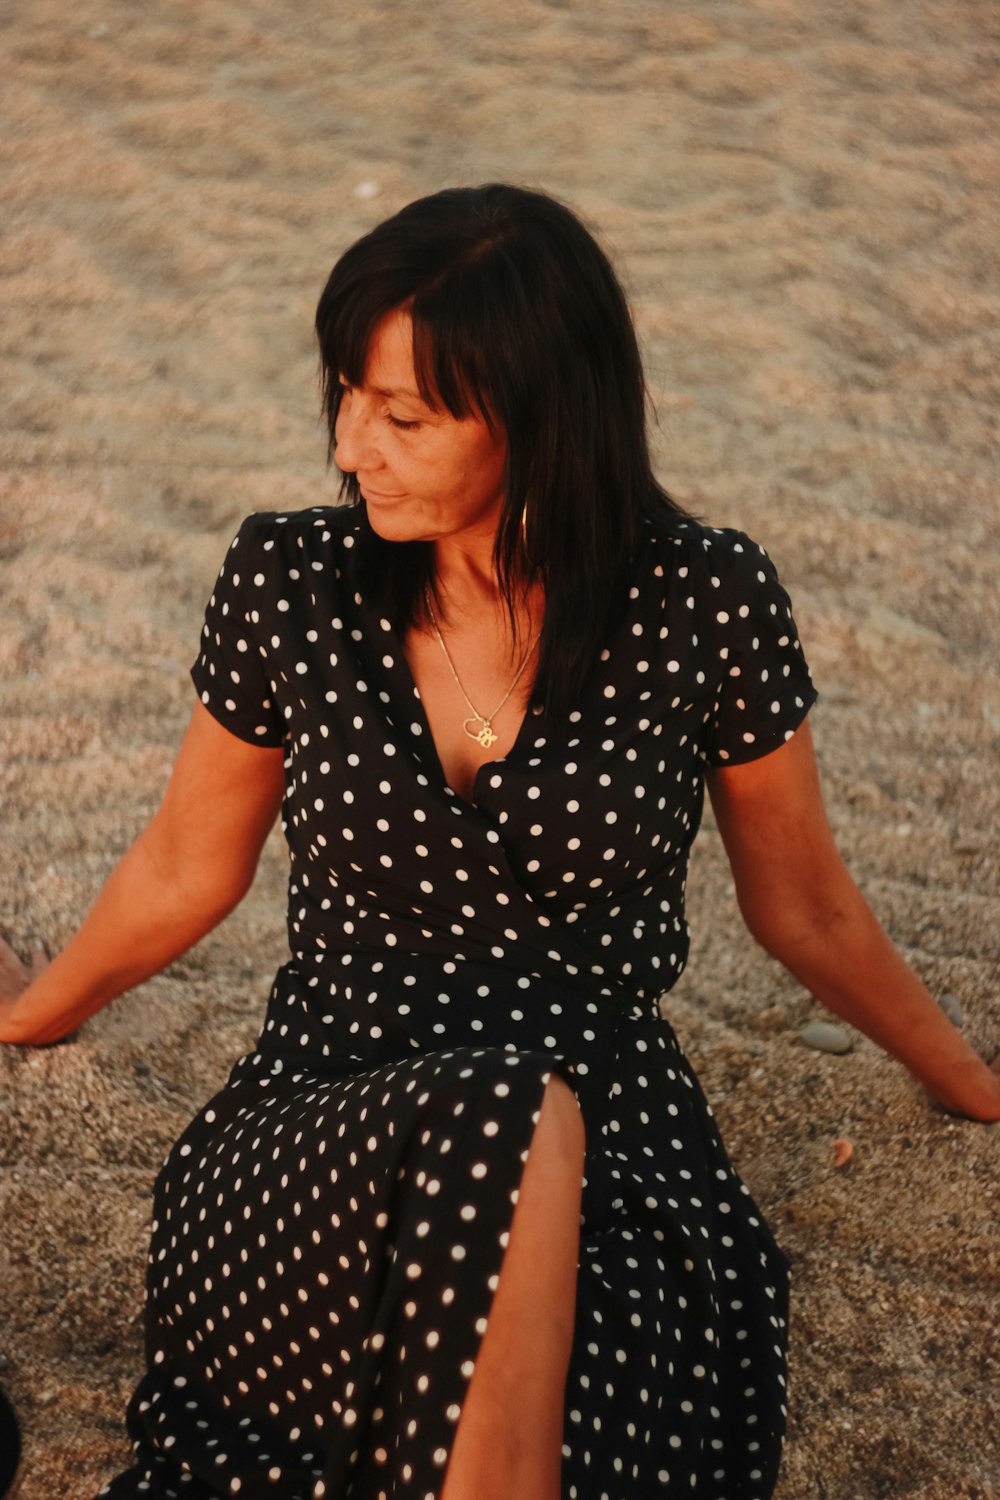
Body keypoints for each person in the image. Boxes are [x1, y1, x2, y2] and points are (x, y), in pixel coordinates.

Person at [1, 184, 998, 1500]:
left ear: (542, 415)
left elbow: (804, 908)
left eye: (403, 414)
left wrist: (971, 1081)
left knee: (570, 1328)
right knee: (502, 1120)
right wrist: (31, 1015)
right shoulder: (291, 578)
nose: (353, 447)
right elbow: (188, 864)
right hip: (322, 1121)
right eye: (346, 394)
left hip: (612, 1140)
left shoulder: (709, 599)